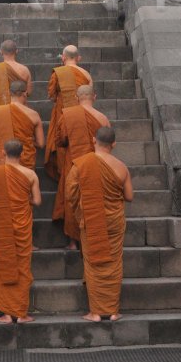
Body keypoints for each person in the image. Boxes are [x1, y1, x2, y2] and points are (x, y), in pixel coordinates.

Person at [65, 126, 133, 322]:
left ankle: (95, 312)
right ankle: (112, 311)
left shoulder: (81, 164)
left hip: (92, 218)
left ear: (94, 141)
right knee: (113, 263)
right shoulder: (121, 167)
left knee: (94, 263)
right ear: (114, 144)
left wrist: (82, 207)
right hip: (114, 220)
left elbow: (70, 194)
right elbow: (129, 196)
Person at [0, 139, 41, 323]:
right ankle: (20, 313)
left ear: (4, 153)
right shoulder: (30, 174)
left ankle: (8, 313)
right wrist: (23, 199)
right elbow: (37, 201)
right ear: (22, 154)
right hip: (21, 225)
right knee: (21, 266)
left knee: (4, 263)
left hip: (2, 224)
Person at [47, 84, 108, 249]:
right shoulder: (102, 118)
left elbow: (60, 141)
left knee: (72, 199)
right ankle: (95, 239)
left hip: (73, 164)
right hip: (95, 164)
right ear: (94, 97)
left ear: (76, 97)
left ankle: (73, 242)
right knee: (94, 200)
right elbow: (109, 143)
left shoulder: (68, 115)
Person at [0, 78, 44, 169]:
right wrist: (25, 140)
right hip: (25, 159)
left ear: (9, 93)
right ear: (25, 94)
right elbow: (41, 144)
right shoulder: (34, 115)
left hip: (3, 157)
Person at [45, 45, 92, 152]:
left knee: (63, 147)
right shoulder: (86, 75)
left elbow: (52, 96)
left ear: (63, 57)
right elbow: (90, 97)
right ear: (78, 58)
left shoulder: (58, 73)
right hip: (81, 116)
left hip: (62, 115)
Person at [0, 39, 32, 108]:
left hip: (2, 110)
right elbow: (29, 92)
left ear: (1, 52)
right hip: (20, 108)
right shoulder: (25, 69)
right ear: (16, 51)